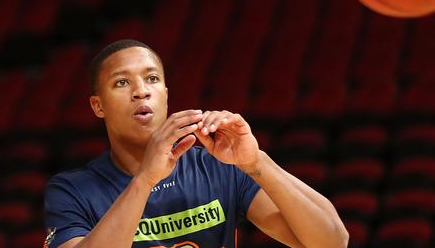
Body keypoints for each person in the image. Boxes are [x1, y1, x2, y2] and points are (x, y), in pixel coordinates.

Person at [44, 39, 348, 248]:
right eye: (122, 82)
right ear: (98, 106)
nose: (141, 91)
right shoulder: (72, 190)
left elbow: (333, 240)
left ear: (165, 93)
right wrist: (145, 180)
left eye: (151, 79)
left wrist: (256, 163)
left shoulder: (219, 168)